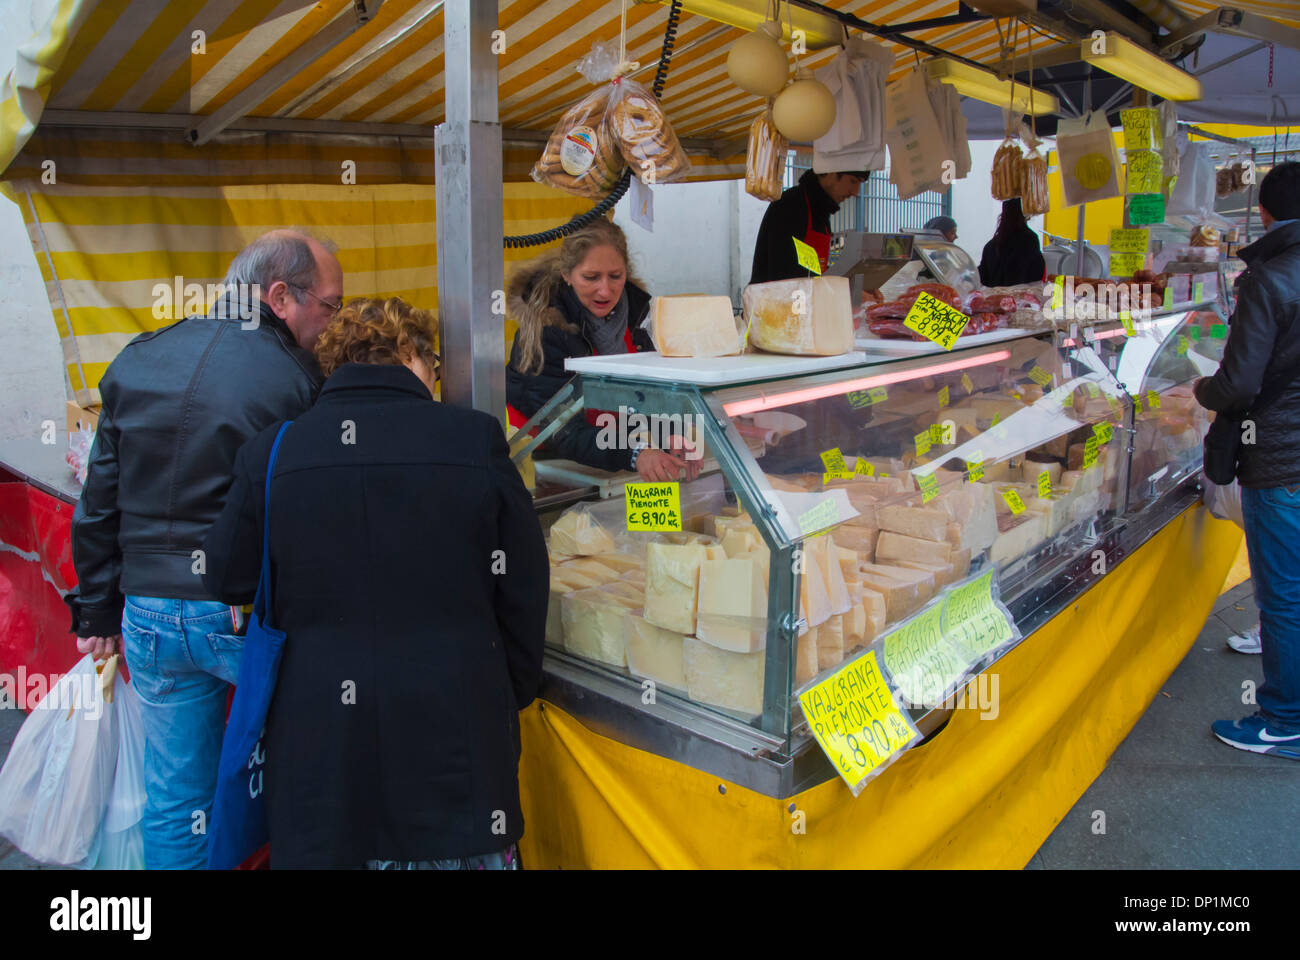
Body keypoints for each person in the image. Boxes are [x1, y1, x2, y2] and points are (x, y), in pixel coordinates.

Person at [202, 297, 548, 868]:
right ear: (412, 356)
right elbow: (524, 585)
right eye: (432, 363)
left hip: (320, 749)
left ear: (335, 363)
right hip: (453, 741)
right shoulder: (474, 440)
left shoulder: (273, 451)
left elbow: (226, 575)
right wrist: (509, 688)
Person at [65, 229, 340, 867]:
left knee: (175, 799)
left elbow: (98, 503)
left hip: (149, 615)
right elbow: (308, 509)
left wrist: (97, 613)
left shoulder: (139, 356)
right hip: (243, 614)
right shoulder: (295, 376)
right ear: (280, 296)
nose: (331, 323)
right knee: (304, 776)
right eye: (328, 305)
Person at [1194, 160, 1300, 759]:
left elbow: (1237, 386)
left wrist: (1202, 391)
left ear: (1264, 211)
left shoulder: (1269, 278)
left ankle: (1285, 720)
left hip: (1281, 459)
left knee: (1283, 596)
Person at [506, 217, 699, 483]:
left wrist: (671, 433)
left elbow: (644, 399)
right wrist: (635, 453)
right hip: (542, 467)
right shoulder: (545, 330)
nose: (605, 290)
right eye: (591, 277)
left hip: (606, 457)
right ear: (567, 275)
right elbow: (560, 429)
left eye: (615, 276)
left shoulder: (639, 318)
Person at [750, 168, 868, 284]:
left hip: (803, 299)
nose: (855, 192)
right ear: (831, 172)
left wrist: (855, 288)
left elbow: (814, 271)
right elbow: (786, 276)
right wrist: (845, 292)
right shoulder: (791, 204)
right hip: (774, 300)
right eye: (853, 181)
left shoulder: (820, 210)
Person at [978, 198, 1046, 287]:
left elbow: (983, 278)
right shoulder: (1030, 239)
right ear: (1024, 213)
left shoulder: (990, 245)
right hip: (1019, 298)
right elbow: (1036, 273)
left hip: (994, 298)